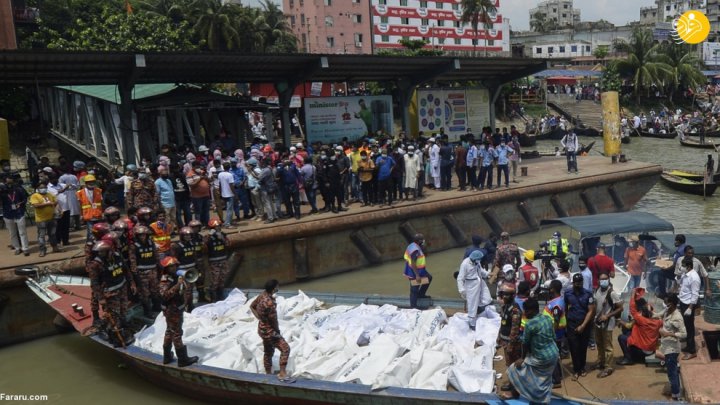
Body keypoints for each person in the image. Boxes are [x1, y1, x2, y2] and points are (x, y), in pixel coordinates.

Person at [505, 298, 559, 403]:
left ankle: (515, 393)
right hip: (553, 354)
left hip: (541, 358)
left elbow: (525, 344)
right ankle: (543, 398)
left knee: (514, 369)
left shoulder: (530, 324)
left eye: (526, 310)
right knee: (545, 380)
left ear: (532, 310)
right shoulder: (547, 318)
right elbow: (553, 336)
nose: (524, 313)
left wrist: (522, 358)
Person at [159, 256, 200, 367]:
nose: (173, 268)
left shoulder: (176, 277)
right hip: (172, 310)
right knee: (177, 333)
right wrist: (178, 285)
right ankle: (182, 359)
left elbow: (183, 292)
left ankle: (167, 356)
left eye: (175, 266)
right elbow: (164, 295)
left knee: (169, 331)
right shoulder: (165, 280)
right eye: (171, 266)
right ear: (166, 268)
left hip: (177, 308)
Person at [96, 240, 136, 347]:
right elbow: (94, 284)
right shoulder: (96, 264)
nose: (101, 254)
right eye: (100, 252)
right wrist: (101, 298)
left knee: (123, 311)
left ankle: (123, 331)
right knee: (114, 316)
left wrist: (132, 283)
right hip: (110, 293)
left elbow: (126, 271)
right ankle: (114, 337)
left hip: (122, 288)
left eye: (103, 252)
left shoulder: (118, 256)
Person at [250, 279, 291, 381]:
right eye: (277, 286)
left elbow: (252, 306)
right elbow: (274, 321)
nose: (278, 288)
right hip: (270, 332)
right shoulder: (270, 303)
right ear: (274, 289)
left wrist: (260, 319)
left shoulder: (262, 295)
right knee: (285, 349)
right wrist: (277, 331)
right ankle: (282, 373)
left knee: (268, 352)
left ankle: (268, 373)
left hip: (262, 330)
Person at [617, 288, 663, 365]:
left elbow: (632, 310)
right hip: (652, 349)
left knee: (622, 337)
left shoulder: (641, 320)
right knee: (629, 333)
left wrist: (632, 295)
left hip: (642, 350)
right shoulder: (658, 322)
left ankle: (628, 359)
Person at [564, 273, 595, 381]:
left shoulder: (588, 294)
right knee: (573, 347)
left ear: (582, 282)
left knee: (582, 347)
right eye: (576, 283)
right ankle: (576, 370)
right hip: (572, 323)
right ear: (573, 283)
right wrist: (567, 322)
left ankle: (582, 368)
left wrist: (583, 325)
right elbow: (565, 308)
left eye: (579, 283)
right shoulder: (568, 293)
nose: (578, 285)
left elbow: (591, 311)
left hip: (584, 323)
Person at [593, 273, 622, 378]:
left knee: (608, 346)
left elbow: (620, 308)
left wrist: (608, 315)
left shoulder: (612, 293)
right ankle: (601, 361)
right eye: (601, 279)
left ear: (608, 280)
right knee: (599, 343)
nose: (603, 281)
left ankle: (608, 367)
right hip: (598, 322)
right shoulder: (597, 290)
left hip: (608, 323)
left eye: (605, 279)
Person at [658, 294, 686, 401]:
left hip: (672, 348)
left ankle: (675, 395)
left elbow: (684, 334)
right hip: (666, 346)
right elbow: (656, 315)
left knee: (671, 372)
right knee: (672, 370)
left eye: (667, 302)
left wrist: (668, 334)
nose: (665, 304)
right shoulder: (666, 311)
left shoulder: (677, 317)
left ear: (672, 304)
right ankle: (676, 390)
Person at [497, 283, 523, 392]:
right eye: (503, 294)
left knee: (513, 365)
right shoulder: (505, 307)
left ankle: (515, 387)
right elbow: (503, 323)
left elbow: (514, 330)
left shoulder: (515, 310)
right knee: (508, 364)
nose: (504, 297)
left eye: (506, 295)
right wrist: (499, 336)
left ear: (512, 296)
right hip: (505, 341)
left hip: (511, 343)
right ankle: (512, 383)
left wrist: (511, 345)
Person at [457, 250, 492, 329]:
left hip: (479, 281)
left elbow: (481, 270)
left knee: (487, 298)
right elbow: (460, 278)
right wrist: (462, 290)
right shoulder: (465, 264)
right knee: (472, 304)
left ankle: (480, 311)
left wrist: (487, 274)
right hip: (471, 285)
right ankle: (472, 324)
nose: (479, 260)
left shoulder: (477, 262)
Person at [131, 225, 160, 317]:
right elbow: (133, 260)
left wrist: (159, 265)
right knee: (144, 293)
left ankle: (157, 307)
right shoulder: (134, 246)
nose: (143, 237)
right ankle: (148, 312)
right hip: (142, 273)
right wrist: (135, 274)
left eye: (144, 235)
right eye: (140, 235)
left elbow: (156, 255)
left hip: (153, 271)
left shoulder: (151, 243)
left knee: (155, 290)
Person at [544, 280, 566, 388]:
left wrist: (551, 335)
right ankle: (558, 375)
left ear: (553, 289)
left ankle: (556, 380)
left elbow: (556, 321)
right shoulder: (556, 300)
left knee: (553, 356)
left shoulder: (556, 304)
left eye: (550, 287)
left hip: (555, 334)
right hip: (555, 333)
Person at [678, 257, 700, 360]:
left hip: (688, 304)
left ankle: (692, 351)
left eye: (683, 266)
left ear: (689, 266)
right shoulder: (685, 274)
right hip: (683, 302)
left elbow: (695, 294)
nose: (681, 267)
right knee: (686, 326)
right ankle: (688, 345)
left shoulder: (694, 277)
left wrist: (690, 308)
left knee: (690, 327)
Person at [29, 181, 59, 257]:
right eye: (41, 187)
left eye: (44, 187)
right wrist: (48, 204)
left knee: (52, 234)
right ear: (38, 189)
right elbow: (36, 205)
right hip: (41, 219)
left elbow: (55, 201)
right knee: (41, 235)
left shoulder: (49, 194)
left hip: (51, 217)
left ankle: (55, 247)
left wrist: (55, 204)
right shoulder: (35, 196)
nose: (43, 189)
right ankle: (42, 250)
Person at [404, 233, 432, 309]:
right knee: (414, 288)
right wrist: (417, 275)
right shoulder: (415, 249)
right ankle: (413, 307)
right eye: (422, 240)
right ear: (419, 241)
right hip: (413, 271)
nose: (424, 241)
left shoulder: (414, 245)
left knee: (429, 278)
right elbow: (413, 262)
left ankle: (421, 294)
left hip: (419, 269)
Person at [205, 218, 230, 302]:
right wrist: (209, 235)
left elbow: (228, 244)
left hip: (223, 260)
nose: (218, 228)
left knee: (222, 279)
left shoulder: (223, 235)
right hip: (214, 262)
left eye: (219, 226)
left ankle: (221, 296)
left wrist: (222, 238)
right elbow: (203, 245)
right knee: (215, 280)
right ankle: (213, 298)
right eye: (216, 227)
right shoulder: (209, 237)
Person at [77, 174, 104, 241]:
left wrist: (103, 212)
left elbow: (101, 203)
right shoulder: (80, 192)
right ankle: (89, 246)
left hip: (98, 214)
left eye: (92, 181)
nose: (91, 183)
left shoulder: (98, 190)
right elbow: (79, 205)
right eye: (89, 182)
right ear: (86, 183)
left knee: (99, 231)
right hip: (88, 215)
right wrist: (81, 215)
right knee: (90, 232)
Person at [155, 166, 177, 233]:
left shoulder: (169, 180)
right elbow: (157, 194)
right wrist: (160, 204)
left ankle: (171, 231)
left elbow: (171, 191)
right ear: (160, 174)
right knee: (166, 219)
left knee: (173, 218)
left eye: (166, 174)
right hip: (164, 203)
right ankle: (166, 232)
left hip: (172, 203)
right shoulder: (157, 182)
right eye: (164, 174)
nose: (166, 175)